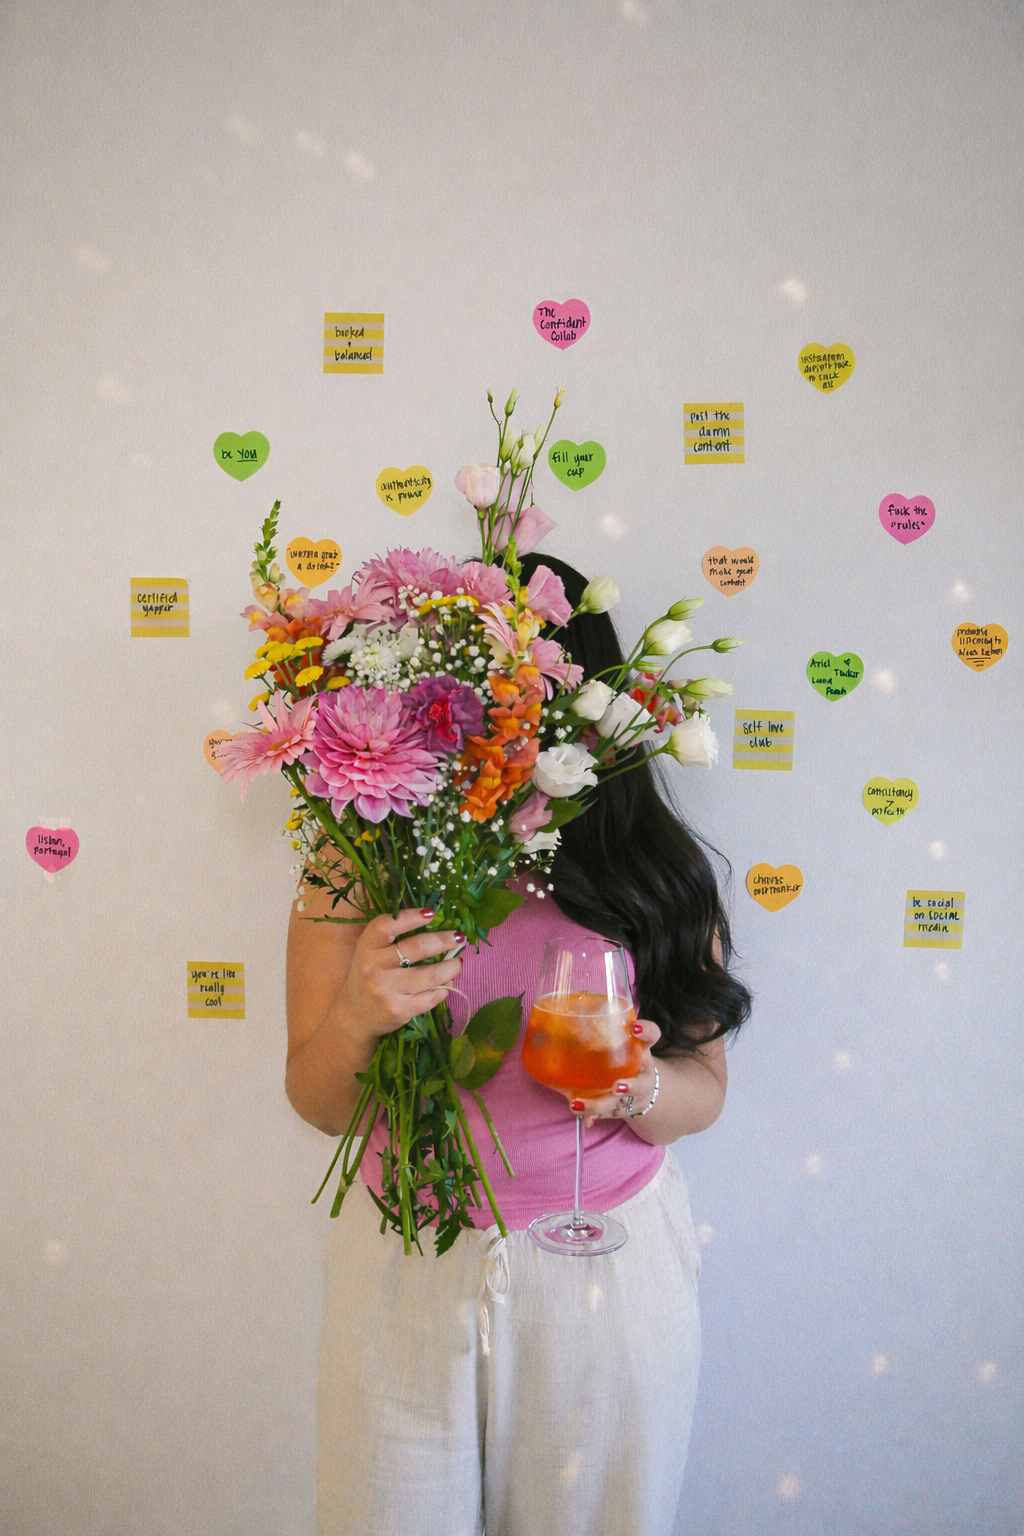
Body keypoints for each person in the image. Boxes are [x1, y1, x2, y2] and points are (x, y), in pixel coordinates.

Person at [285, 553, 752, 1536]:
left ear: (573, 693)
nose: (471, 710)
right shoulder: (359, 848)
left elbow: (702, 1091)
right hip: (401, 1253)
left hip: (604, 1267)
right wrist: (360, 1014)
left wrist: (634, 1087)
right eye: (448, 684)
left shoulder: (653, 874)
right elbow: (321, 1100)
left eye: (502, 682)